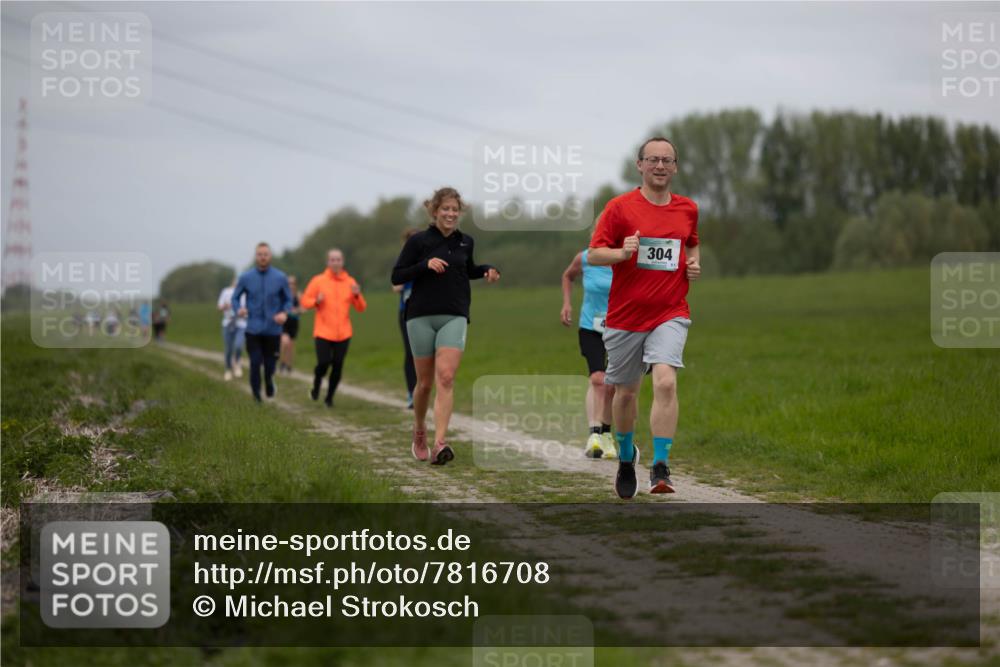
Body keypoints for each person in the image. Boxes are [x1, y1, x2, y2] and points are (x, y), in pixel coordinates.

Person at [588, 137, 701, 498]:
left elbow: (691, 242)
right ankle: (625, 458)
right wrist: (622, 253)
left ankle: (661, 466)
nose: (660, 166)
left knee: (666, 382)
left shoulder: (687, 209)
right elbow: (593, 254)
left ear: (676, 167)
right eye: (653, 159)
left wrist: (694, 262)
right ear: (640, 165)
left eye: (667, 160)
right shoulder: (620, 208)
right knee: (625, 393)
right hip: (625, 316)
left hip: (670, 311)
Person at [391, 187, 500, 465]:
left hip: (455, 314)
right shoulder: (419, 242)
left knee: (447, 377)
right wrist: (425, 265)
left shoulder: (466, 242)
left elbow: (468, 268)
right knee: (424, 384)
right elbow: (397, 275)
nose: (450, 214)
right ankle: (419, 432)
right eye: (445, 209)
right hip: (420, 316)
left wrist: (487, 268)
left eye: (455, 209)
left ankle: (440, 443)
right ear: (435, 211)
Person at [560, 236, 618, 460]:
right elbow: (568, 276)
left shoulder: (625, 259)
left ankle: (607, 434)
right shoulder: (585, 258)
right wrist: (567, 303)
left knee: (613, 385)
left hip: (619, 328)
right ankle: (593, 435)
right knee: (598, 378)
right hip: (590, 326)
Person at [301, 249, 366, 407]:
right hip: (323, 331)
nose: (335, 262)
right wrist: (316, 301)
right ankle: (316, 386)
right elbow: (305, 301)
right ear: (328, 262)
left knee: (337, 366)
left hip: (343, 332)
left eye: (338, 259)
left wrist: (357, 295)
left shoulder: (350, 282)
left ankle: (329, 398)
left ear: (342, 262)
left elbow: (361, 307)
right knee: (323, 363)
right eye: (332, 260)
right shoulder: (318, 280)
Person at [232, 242, 293, 403]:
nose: (263, 257)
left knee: (270, 365)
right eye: (260, 254)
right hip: (253, 329)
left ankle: (269, 382)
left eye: (265, 254)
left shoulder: (280, 277)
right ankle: (256, 395)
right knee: (255, 362)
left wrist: (283, 313)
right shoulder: (246, 277)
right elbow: (235, 298)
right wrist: (239, 309)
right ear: (255, 256)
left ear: (270, 256)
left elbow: (288, 299)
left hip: (273, 329)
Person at [392, 228, 421, 409]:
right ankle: (412, 393)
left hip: (427, 312)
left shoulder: (430, 258)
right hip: (406, 312)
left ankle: (423, 390)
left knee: (427, 355)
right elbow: (395, 286)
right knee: (411, 353)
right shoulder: (403, 261)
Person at [218, 277, 247, 381]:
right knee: (229, 349)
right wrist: (226, 306)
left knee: (239, 345)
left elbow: (248, 308)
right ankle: (228, 369)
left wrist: (244, 311)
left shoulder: (245, 294)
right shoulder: (226, 292)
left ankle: (238, 363)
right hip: (228, 323)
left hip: (241, 323)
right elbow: (219, 307)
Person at [279, 275, 302, 374]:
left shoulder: (298, 295)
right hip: (285, 321)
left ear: (295, 284)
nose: (291, 285)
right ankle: (282, 363)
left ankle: (288, 365)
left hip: (294, 322)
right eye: (289, 283)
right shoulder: (283, 295)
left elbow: (303, 308)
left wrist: (296, 310)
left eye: (292, 283)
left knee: (290, 346)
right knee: (284, 342)